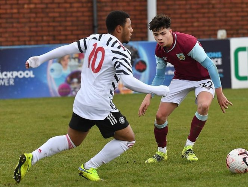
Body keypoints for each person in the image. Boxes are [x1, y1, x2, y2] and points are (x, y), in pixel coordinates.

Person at [13, 10, 169, 183]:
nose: (132, 30)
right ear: (119, 28)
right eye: (129, 26)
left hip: (81, 101)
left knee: (71, 140)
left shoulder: (95, 38)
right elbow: (129, 82)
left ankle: (31, 157)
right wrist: (157, 90)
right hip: (100, 105)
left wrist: (40, 59)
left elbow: (67, 48)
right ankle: (89, 167)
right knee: (128, 139)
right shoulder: (121, 52)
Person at [138, 14, 232, 163]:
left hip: (203, 78)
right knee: (160, 116)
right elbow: (160, 76)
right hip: (181, 78)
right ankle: (161, 153)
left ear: (170, 31)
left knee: (204, 106)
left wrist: (219, 94)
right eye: (156, 35)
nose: (160, 38)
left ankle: (188, 148)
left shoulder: (187, 42)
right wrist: (148, 96)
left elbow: (210, 65)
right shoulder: (159, 51)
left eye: (163, 33)